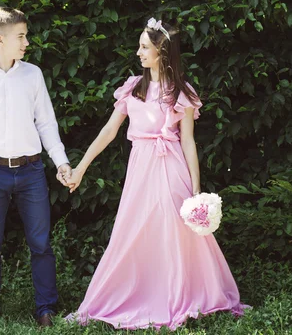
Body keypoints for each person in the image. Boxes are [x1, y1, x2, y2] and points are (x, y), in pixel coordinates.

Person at [64, 18, 249, 330]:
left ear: (163, 53)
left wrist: (196, 189)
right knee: (130, 232)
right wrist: (81, 168)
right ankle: (132, 295)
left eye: (144, 47)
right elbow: (109, 131)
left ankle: (181, 295)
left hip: (170, 167)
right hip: (141, 169)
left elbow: (188, 140)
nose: (138, 52)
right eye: (139, 46)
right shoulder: (132, 89)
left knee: (176, 235)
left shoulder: (181, 92)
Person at [0, 7, 72, 332]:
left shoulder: (32, 74)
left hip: (32, 171)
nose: (27, 42)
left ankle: (46, 310)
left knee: (41, 243)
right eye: (21, 36)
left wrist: (61, 161)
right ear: (0, 39)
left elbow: (46, 123)